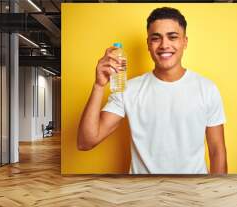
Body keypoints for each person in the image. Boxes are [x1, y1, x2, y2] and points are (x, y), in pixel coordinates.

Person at [77, 7, 227, 174]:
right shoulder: (128, 90)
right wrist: (98, 85)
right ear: (148, 44)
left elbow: (217, 151)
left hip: (193, 192)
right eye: (156, 38)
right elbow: (86, 142)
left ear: (185, 42)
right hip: (143, 193)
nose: (164, 45)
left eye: (173, 37)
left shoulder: (207, 88)